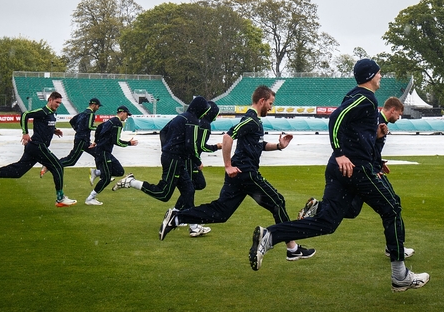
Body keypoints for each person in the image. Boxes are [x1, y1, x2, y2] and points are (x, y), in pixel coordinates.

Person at [247, 60, 429, 292]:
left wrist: (377, 137)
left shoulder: (357, 96)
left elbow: (356, 134)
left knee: (329, 222)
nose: (381, 77)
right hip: (356, 169)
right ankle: (400, 275)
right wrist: (341, 153)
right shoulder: (365, 97)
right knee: (392, 208)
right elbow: (335, 119)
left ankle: (270, 236)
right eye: (379, 73)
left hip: (342, 168)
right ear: (370, 75)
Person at [158, 86, 315, 262]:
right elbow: (228, 137)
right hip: (245, 173)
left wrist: (278, 146)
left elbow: (258, 145)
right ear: (262, 101)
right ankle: (292, 249)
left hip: (239, 176)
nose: (271, 107)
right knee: (277, 202)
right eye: (270, 103)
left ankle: (177, 217)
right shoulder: (250, 120)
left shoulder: (255, 122)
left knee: (221, 213)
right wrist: (227, 165)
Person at [296, 96, 415, 259]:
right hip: (366, 173)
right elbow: (365, 146)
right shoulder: (376, 120)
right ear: (392, 110)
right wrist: (374, 166)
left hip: (367, 170)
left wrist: (379, 162)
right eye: (399, 114)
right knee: (393, 204)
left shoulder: (381, 123)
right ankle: (395, 248)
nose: (399, 117)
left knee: (352, 210)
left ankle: (318, 207)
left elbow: (370, 149)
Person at [112, 96, 212, 224]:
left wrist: (165, 148)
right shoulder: (192, 120)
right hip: (174, 159)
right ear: (200, 109)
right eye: (205, 110)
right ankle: (131, 182)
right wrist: (197, 161)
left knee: (189, 191)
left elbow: (163, 132)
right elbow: (190, 145)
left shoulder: (181, 117)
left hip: (174, 158)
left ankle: (193, 226)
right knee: (163, 193)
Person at [0, 91, 77, 207]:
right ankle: (60, 198)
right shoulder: (43, 111)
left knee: (18, 172)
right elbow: (25, 115)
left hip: (34, 148)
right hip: (38, 146)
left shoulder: (51, 113)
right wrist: (25, 133)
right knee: (58, 166)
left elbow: (45, 125)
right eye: (57, 102)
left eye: (60, 103)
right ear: (50, 100)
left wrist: (54, 130)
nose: (58, 105)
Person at [174, 100, 222, 237]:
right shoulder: (205, 125)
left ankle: (178, 212)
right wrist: (216, 147)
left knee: (194, 186)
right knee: (193, 187)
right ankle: (188, 221)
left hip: (185, 158)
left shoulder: (195, 120)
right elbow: (200, 146)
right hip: (190, 160)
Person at [85, 105, 138, 205]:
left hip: (103, 152)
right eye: (127, 115)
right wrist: (129, 143)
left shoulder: (110, 121)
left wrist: (95, 141)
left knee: (119, 171)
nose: (127, 117)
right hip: (103, 153)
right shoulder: (117, 123)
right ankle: (90, 198)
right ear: (122, 112)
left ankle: (96, 172)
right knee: (106, 178)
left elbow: (99, 128)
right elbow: (117, 141)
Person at [41, 97, 101, 177]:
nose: (98, 108)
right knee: (71, 160)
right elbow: (89, 126)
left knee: (99, 154)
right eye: (98, 106)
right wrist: (100, 128)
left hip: (83, 140)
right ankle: (50, 165)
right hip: (82, 141)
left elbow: (72, 121)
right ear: (94, 105)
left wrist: (78, 129)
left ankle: (101, 173)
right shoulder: (90, 114)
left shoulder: (83, 113)